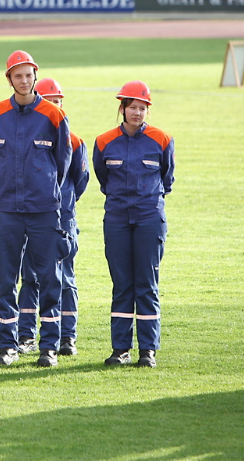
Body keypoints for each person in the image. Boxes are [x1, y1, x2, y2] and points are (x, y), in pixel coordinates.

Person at [0, 51, 72, 367]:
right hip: (8, 210)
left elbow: (62, 163)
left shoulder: (54, 115)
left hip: (44, 210)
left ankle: (48, 348)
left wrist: (43, 188)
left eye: (28, 75)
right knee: (6, 280)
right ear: (9, 79)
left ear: (35, 76)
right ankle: (8, 346)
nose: (24, 81)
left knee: (49, 279)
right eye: (17, 75)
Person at [93, 81, 174, 368]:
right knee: (122, 284)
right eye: (133, 107)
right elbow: (102, 177)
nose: (137, 113)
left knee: (147, 284)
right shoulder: (104, 142)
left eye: (143, 108)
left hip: (149, 219)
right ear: (122, 108)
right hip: (116, 219)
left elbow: (167, 179)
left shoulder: (162, 139)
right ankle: (120, 350)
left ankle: (148, 351)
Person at [17, 78, 89, 357]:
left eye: (58, 102)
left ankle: (67, 336)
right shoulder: (26, 137)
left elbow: (80, 180)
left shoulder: (75, 141)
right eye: (50, 102)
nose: (55, 107)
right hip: (32, 216)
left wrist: (64, 205)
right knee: (30, 277)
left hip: (62, 219)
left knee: (65, 278)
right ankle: (26, 336)